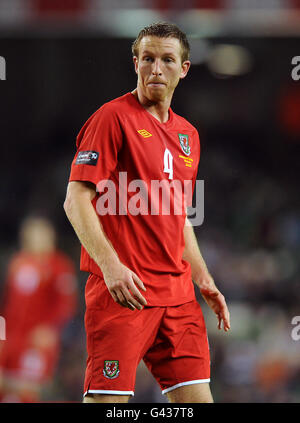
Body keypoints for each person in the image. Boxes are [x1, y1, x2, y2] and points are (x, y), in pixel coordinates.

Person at [64, 22, 230, 404]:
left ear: (183, 68)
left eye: (168, 60)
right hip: (125, 294)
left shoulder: (189, 134)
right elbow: (76, 200)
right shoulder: (111, 118)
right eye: (149, 58)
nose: (157, 68)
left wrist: (204, 280)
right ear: (135, 63)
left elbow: (179, 217)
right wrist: (110, 266)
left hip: (179, 298)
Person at [0, 216, 77, 402]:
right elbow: (8, 304)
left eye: (39, 234)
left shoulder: (59, 266)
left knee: (30, 389)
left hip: (37, 338)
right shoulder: (18, 263)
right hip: (11, 337)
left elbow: (65, 305)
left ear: (50, 237)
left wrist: (51, 329)